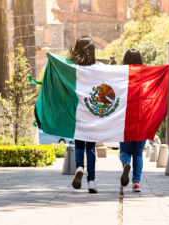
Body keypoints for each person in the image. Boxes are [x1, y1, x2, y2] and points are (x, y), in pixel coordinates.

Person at [70, 36, 98, 193]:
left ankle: (79, 166)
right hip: (92, 111)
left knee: (79, 144)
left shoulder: (72, 67)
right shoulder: (98, 67)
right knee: (91, 147)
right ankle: (91, 181)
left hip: (77, 111)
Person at [119, 49, 146, 192]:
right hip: (142, 119)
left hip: (125, 119)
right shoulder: (147, 75)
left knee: (124, 150)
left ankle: (125, 164)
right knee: (138, 153)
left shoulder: (120, 74)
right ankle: (136, 182)